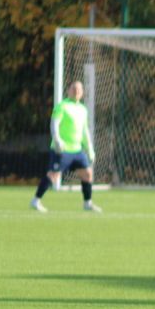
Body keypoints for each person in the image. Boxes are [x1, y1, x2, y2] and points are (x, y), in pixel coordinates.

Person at [30, 80, 100, 213]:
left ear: (82, 93)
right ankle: (36, 200)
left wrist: (90, 148)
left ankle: (87, 203)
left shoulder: (83, 109)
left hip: (77, 150)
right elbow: (54, 124)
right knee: (53, 175)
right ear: (68, 90)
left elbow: (84, 131)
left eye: (79, 89)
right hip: (62, 150)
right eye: (74, 88)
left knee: (87, 174)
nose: (76, 91)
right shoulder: (62, 106)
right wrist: (57, 140)